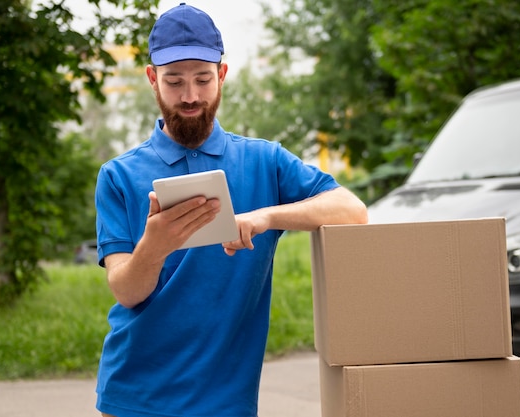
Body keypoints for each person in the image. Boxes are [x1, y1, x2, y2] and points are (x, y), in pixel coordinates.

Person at [94, 3, 368, 416]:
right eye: (174, 82)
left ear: (222, 75)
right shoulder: (118, 176)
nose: (190, 96)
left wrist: (266, 216)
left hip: (229, 402)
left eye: (203, 79)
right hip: (137, 397)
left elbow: (352, 209)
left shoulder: (265, 162)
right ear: (153, 80)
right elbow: (126, 291)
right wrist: (155, 244)